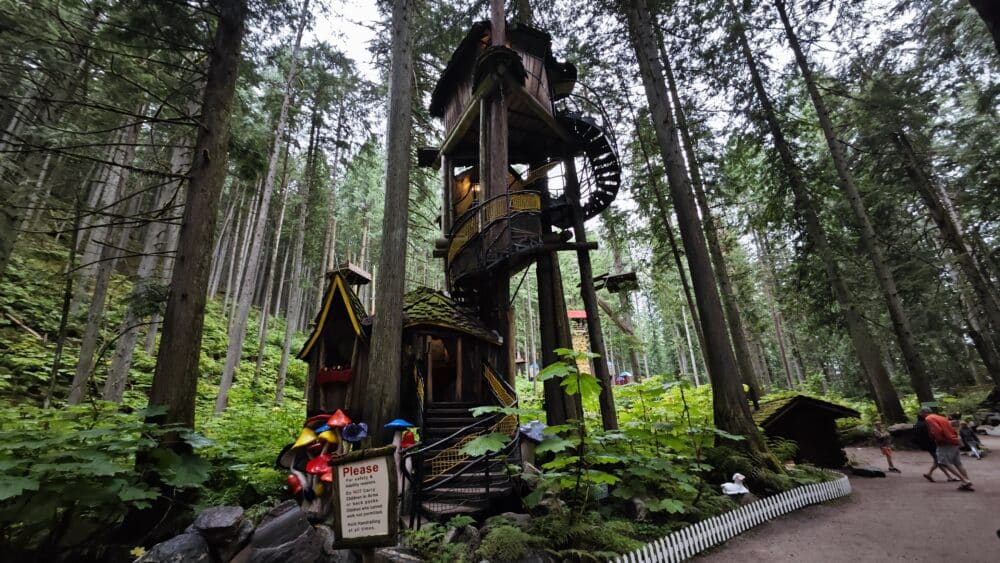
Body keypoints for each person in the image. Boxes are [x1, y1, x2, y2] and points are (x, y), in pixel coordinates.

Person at [921, 406, 974, 491]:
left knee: (943, 462)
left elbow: (937, 430)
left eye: (921, 413)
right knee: (958, 463)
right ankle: (967, 480)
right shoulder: (941, 417)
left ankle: (965, 481)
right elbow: (951, 427)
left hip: (945, 442)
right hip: (954, 440)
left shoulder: (929, 418)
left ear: (923, 413)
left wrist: (939, 440)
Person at [914, 412, 961, 482]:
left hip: (927, 445)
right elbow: (933, 433)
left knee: (938, 461)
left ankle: (945, 476)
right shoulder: (926, 424)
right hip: (932, 444)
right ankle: (954, 477)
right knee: (939, 461)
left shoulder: (917, 425)